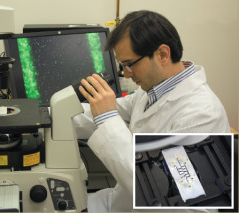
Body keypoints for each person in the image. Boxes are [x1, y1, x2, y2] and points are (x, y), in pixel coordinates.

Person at [73, 10, 230, 212]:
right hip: (122, 202)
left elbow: (183, 202)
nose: (126, 75)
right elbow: (110, 109)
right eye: (122, 65)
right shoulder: (153, 89)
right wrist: (54, 114)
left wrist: (107, 119)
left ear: (163, 54)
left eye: (129, 65)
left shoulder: (200, 114)